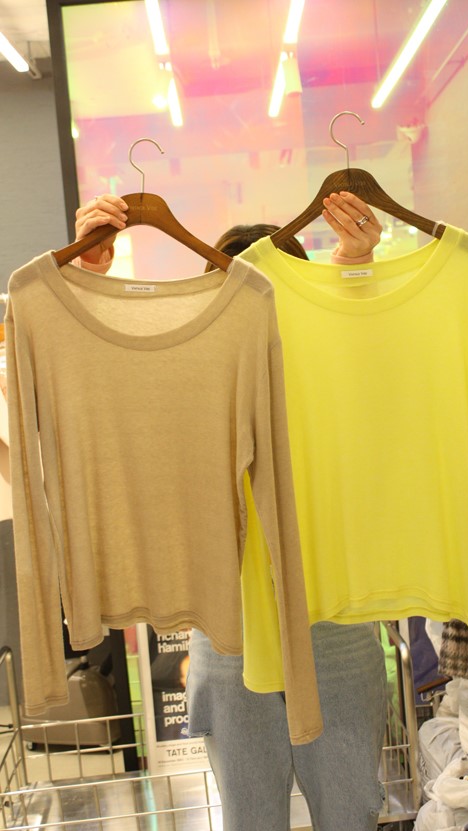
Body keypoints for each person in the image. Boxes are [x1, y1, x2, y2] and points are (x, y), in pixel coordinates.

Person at [73, 191, 386, 831]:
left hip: (333, 622)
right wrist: (89, 280)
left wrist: (355, 272)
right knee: (250, 818)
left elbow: (377, 368)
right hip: (230, 631)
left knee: (350, 812)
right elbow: (106, 391)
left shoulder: (333, 366)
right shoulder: (184, 369)